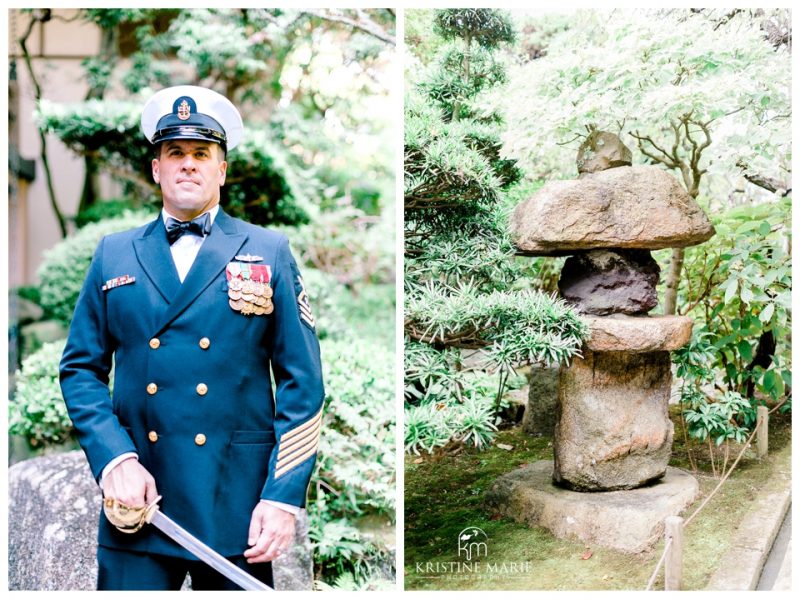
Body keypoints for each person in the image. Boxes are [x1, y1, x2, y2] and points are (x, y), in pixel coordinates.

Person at [59, 85, 325, 590]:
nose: (188, 164)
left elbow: (302, 385)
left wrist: (282, 496)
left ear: (221, 170)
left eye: (202, 154)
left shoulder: (268, 251)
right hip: (139, 504)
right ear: (156, 169)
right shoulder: (113, 254)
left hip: (235, 503)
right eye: (174, 153)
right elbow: (80, 369)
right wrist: (115, 459)